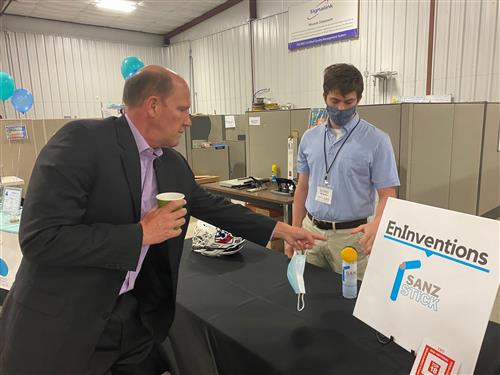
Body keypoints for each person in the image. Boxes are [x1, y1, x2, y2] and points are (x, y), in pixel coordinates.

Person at [0, 65, 325, 374]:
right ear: (153, 105)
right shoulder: (81, 142)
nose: (188, 121)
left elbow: (210, 205)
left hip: (134, 317)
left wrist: (282, 229)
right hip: (68, 322)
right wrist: (140, 234)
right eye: (183, 110)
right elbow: (41, 238)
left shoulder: (171, 162)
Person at [285, 63, 400, 279]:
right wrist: (295, 229)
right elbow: (302, 188)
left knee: (352, 301)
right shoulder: (310, 139)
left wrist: (377, 225)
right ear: (325, 96)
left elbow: (388, 194)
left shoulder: (377, 141)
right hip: (311, 232)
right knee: (308, 294)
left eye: (348, 102)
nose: (340, 108)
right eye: (334, 101)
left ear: (359, 99)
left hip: (352, 237)